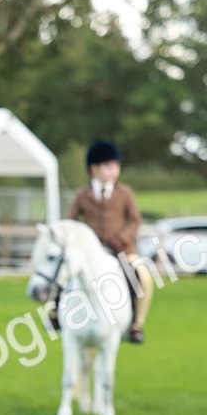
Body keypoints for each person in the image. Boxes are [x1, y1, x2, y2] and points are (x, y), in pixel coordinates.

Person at [59, 139, 152, 343]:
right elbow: (70, 221)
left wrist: (122, 237)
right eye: (108, 166)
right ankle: (55, 312)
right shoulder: (82, 194)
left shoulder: (125, 193)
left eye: (116, 166)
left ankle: (136, 324)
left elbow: (134, 220)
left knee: (143, 277)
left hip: (122, 249)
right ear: (94, 169)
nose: (113, 171)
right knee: (62, 273)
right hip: (92, 252)